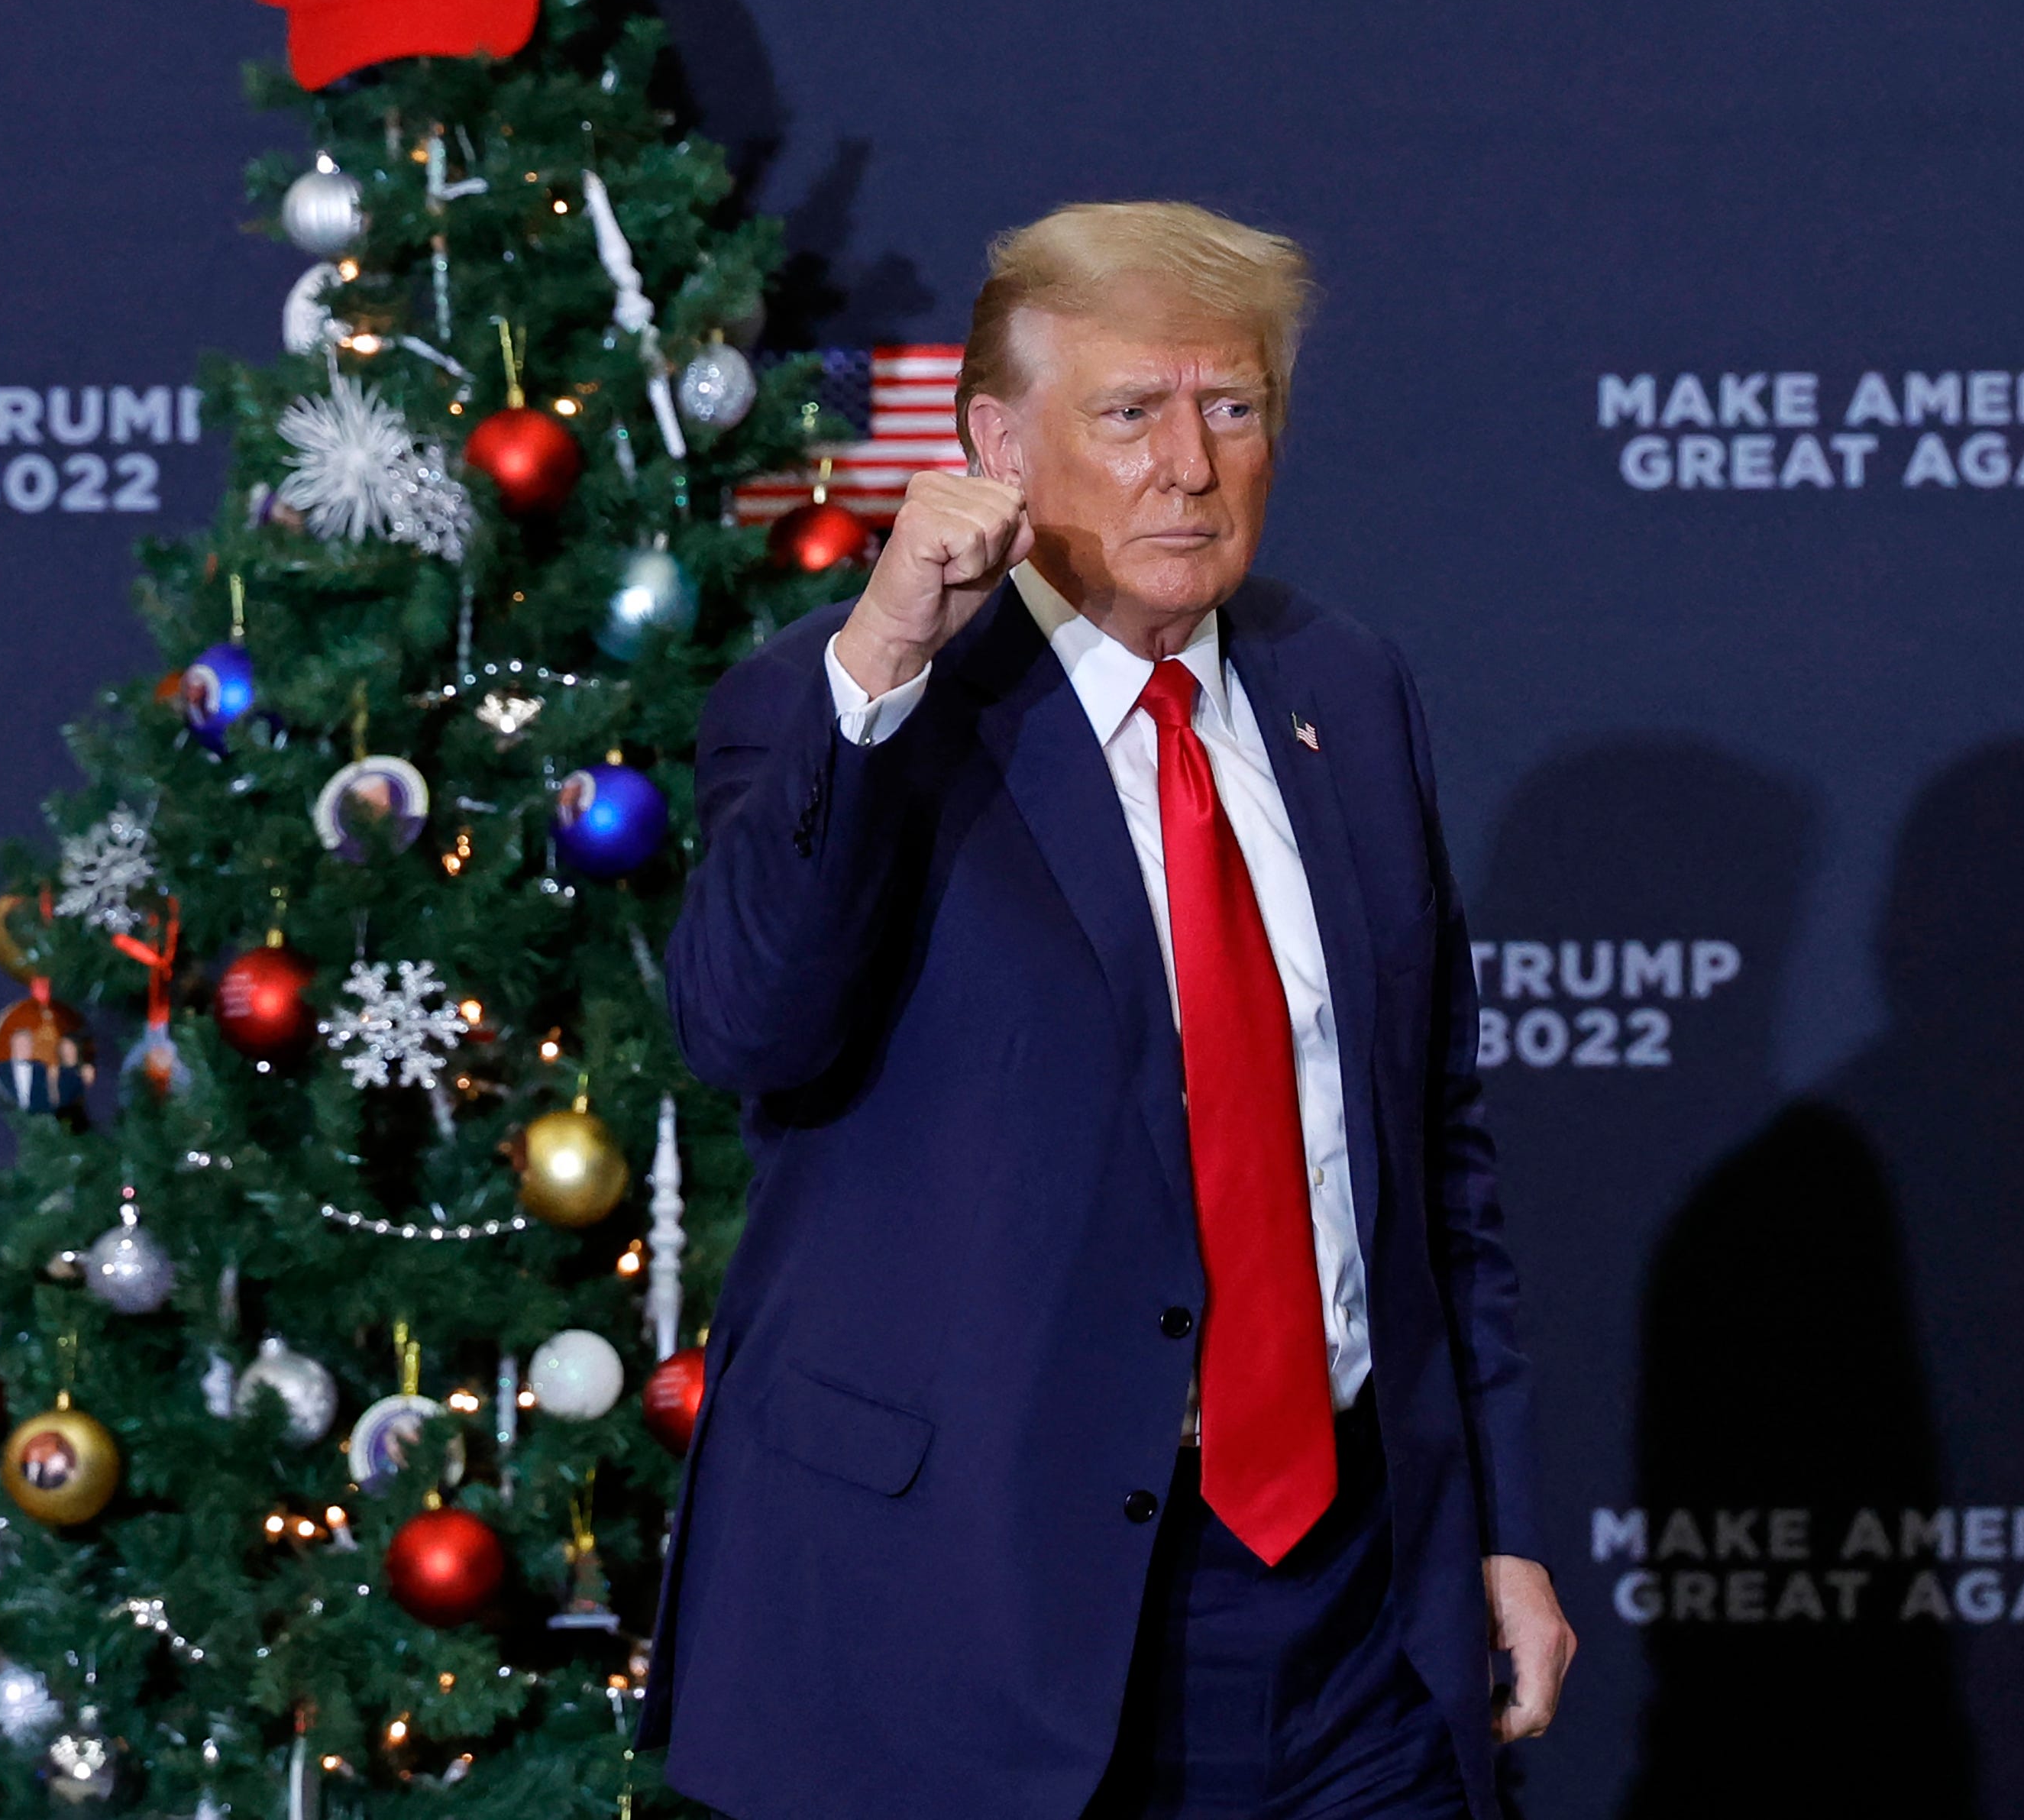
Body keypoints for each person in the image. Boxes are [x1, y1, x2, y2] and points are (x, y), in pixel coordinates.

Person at [642, 202, 1573, 1819]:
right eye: (1130, 412)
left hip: (1354, 1613)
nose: (1189, 468)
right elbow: (742, 1026)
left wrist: (1496, 1526)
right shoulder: (848, 699)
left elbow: (1434, 1149)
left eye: (1233, 407)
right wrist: (884, 656)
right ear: (995, 444)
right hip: (977, 1614)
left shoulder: (1344, 687)